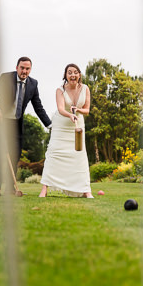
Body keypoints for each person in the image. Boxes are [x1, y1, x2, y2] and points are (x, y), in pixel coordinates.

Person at [0, 57, 52, 196]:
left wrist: (50, 125)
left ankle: (10, 188)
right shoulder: (6, 78)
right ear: (17, 68)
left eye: (27, 69)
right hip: (0, 121)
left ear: (30, 70)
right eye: (22, 68)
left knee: (15, 156)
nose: (24, 71)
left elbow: (38, 107)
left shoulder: (33, 84)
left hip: (16, 123)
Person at [39, 64, 93, 198]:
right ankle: (44, 189)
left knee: (79, 156)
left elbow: (87, 110)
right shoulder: (60, 90)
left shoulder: (85, 89)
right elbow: (61, 109)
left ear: (79, 75)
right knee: (54, 154)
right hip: (61, 125)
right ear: (65, 75)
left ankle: (86, 190)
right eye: (69, 73)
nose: (73, 75)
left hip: (77, 125)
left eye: (75, 72)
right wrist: (70, 114)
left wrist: (78, 110)